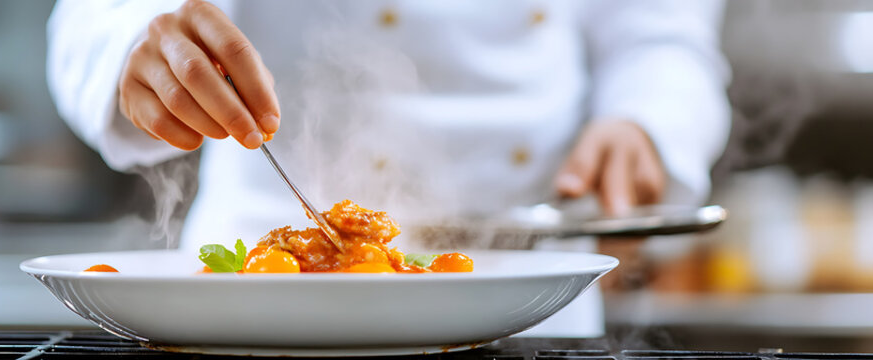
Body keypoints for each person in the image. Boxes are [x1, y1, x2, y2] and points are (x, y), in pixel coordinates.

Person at [47, 0, 730, 338]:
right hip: (251, 306)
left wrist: (643, 121)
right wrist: (134, 42)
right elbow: (93, 16)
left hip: (521, 298)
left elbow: (662, 38)